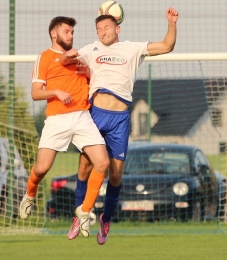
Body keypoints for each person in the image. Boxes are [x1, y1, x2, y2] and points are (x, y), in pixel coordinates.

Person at [60, 7, 179, 244]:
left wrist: (171, 23)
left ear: (118, 28)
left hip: (120, 119)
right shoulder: (90, 49)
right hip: (95, 115)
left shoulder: (132, 48)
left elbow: (166, 45)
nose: (102, 32)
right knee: (84, 167)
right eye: (98, 29)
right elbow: (65, 61)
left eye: (106, 27)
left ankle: (106, 220)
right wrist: (67, 54)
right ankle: (79, 214)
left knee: (115, 175)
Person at [19, 16, 110, 238]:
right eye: (67, 32)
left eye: (72, 32)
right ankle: (30, 194)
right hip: (57, 119)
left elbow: (92, 77)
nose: (70, 35)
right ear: (54, 34)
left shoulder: (79, 58)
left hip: (82, 116)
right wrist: (56, 92)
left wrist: (86, 71)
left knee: (103, 162)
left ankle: (84, 210)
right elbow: (35, 93)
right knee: (41, 168)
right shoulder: (44, 58)